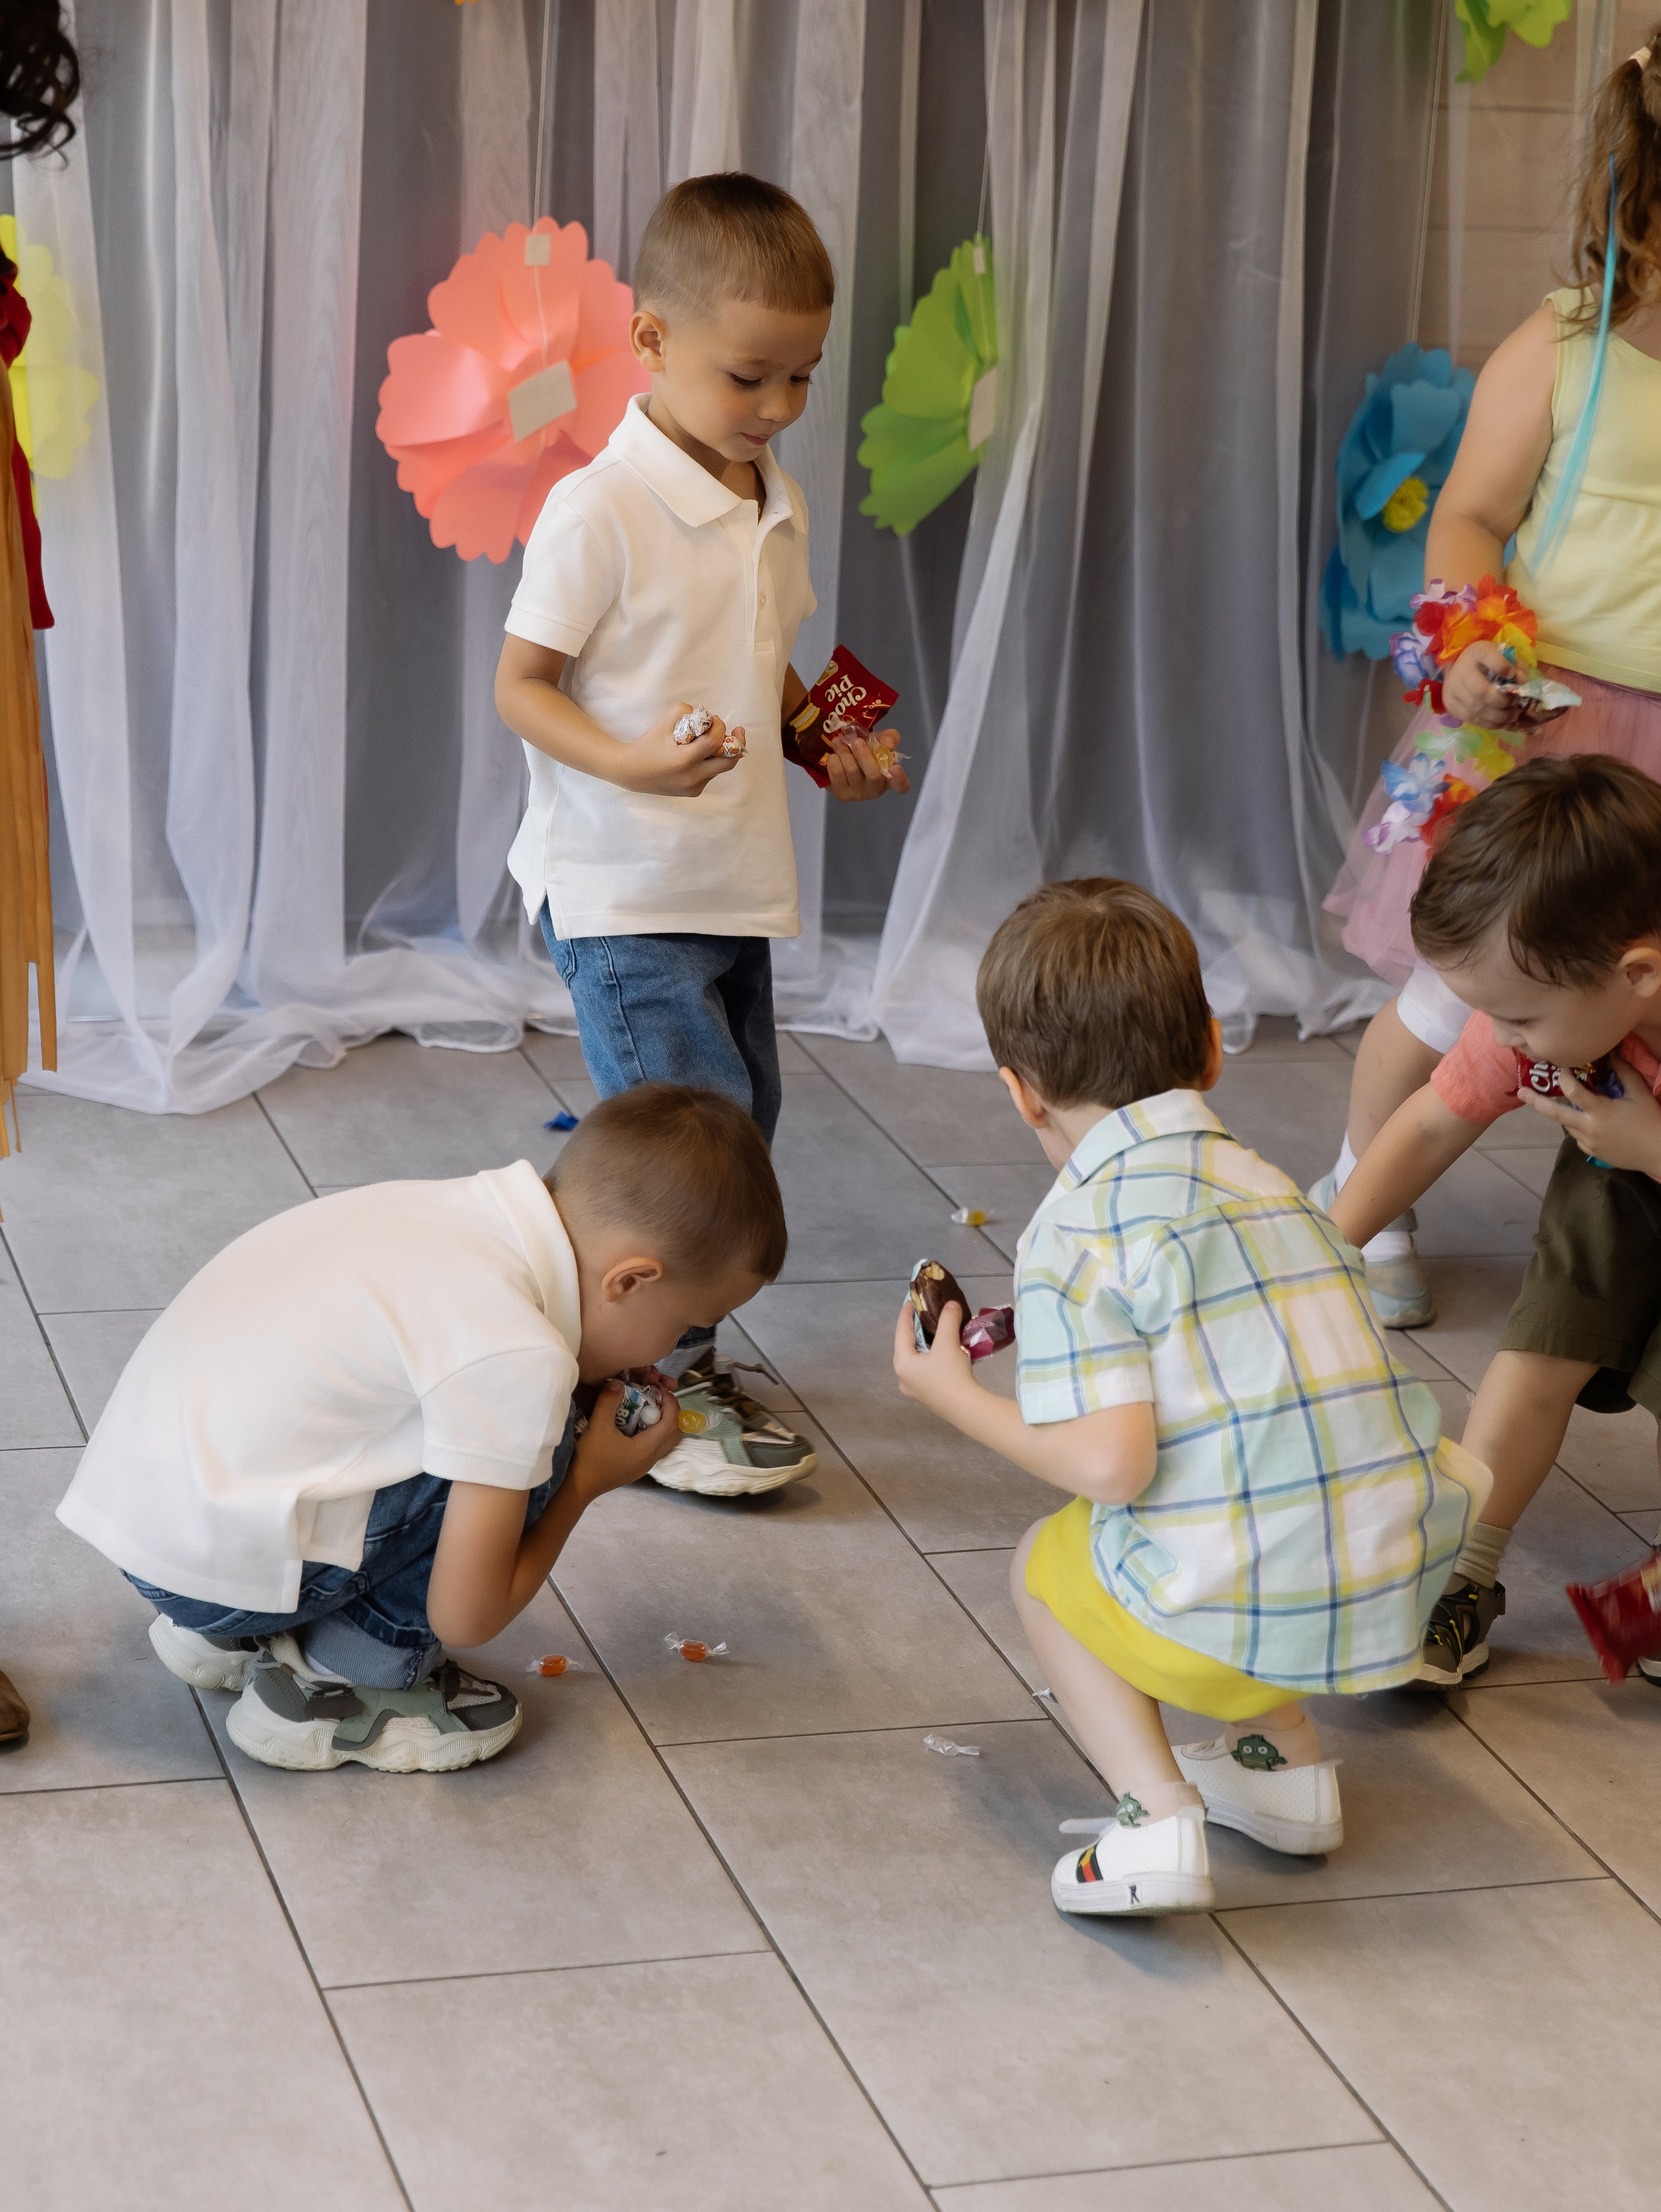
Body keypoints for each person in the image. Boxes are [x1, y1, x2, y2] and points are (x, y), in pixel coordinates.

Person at [893, 880, 1488, 1916]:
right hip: (1393, 1583)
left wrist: (951, 1394)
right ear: (1211, 1048)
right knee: (1260, 1495)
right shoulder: (1269, 1185)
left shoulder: (1077, 1231)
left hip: (1248, 1608)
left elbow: (1110, 1464)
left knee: (1055, 1560)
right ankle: (1283, 1775)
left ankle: (1153, 1817)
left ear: (1021, 1091)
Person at [494, 173, 907, 1498]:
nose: (780, 409)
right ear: (655, 343)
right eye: (751, 377)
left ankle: (657, 1345)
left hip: (731, 875)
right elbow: (520, 684)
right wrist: (628, 766)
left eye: (802, 378)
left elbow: (762, 671)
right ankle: (648, 1386)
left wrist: (817, 741)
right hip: (621, 882)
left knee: (744, 1125)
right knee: (688, 1145)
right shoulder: (598, 511)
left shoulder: (765, 497)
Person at [55, 1087, 787, 1773]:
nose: (669, 1351)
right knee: (549, 1431)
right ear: (628, 1279)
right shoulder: (518, 1354)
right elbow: (469, 1615)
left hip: (153, 1518)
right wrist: (588, 1480)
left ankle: (224, 1631)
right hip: (211, 1572)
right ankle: (350, 1679)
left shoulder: (452, 1211)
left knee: (492, 1413)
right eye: (685, 1324)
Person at [1320, 35, 1661, 1328]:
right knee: (1445, 996)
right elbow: (1465, 514)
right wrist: (1471, 643)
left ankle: (1614, 1210)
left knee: (1620, 985)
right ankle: (1365, 1185)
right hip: (1543, 727)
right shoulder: (1567, 346)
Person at [1331, 756, 1661, 1686]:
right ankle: (1458, 1575)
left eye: (1517, 1017)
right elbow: (1435, 1122)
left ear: (1637, 972)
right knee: (1538, 1350)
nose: (1499, 1036)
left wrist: (1648, 1138)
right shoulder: (1546, 1012)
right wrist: (1322, 1250)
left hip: (1639, 1142)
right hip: (1621, 1166)